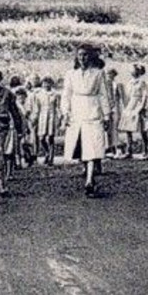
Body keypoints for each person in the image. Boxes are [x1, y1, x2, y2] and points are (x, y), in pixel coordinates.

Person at [62, 45, 111, 197]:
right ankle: (86, 170)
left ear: (90, 57)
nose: (82, 58)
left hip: (93, 110)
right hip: (77, 112)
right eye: (80, 55)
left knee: (92, 146)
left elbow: (103, 94)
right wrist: (65, 113)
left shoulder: (98, 73)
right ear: (76, 57)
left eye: (85, 55)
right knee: (81, 144)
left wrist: (107, 115)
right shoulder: (71, 74)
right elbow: (66, 95)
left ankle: (89, 180)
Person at [116, 63, 148, 158]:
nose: (132, 72)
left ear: (138, 71)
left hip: (138, 104)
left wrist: (141, 107)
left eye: (134, 70)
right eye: (131, 70)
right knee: (128, 128)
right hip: (130, 105)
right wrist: (126, 107)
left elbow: (145, 95)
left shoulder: (142, 82)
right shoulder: (129, 82)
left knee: (142, 129)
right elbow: (126, 96)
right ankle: (129, 151)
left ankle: (145, 151)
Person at [31, 75, 60, 166]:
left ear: (51, 84)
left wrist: (60, 118)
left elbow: (58, 107)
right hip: (42, 117)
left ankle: (51, 157)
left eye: (48, 83)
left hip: (52, 116)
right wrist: (34, 118)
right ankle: (47, 152)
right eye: (44, 83)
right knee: (41, 138)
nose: (46, 85)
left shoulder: (55, 94)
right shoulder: (38, 94)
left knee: (50, 137)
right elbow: (36, 108)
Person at [104, 66, 124, 154]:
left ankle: (116, 147)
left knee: (115, 128)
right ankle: (109, 147)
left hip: (115, 106)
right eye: (108, 74)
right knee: (107, 128)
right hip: (107, 107)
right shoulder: (104, 85)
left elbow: (122, 97)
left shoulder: (117, 84)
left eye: (111, 74)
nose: (109, 76)